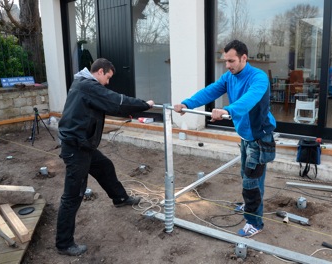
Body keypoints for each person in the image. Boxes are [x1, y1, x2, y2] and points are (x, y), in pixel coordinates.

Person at [174, 40, 276, 237]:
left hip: (259, 138)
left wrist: (227, 110)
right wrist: (187, 104)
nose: (227, 65)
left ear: (244, 58)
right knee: (248, 176)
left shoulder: (259, 78)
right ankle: (250, 206)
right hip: (246, 137)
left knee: (251, 182)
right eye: (225, 60)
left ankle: (254, 222)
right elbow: (210, 91)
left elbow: (249, 100)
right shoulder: (229, 77)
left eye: (231, 61)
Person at [56, 58, 154, 256]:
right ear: (100, 71)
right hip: (77, 148)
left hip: (83, 144)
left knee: (105, 167)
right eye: (108, 77)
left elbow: (102, 105)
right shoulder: (87, 85)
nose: (108, 82)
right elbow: (116, 101)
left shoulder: (82, 83)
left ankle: (120, 198)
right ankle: (64, 244)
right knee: (73, 195)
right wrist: (144, 105)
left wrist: (123, 112)